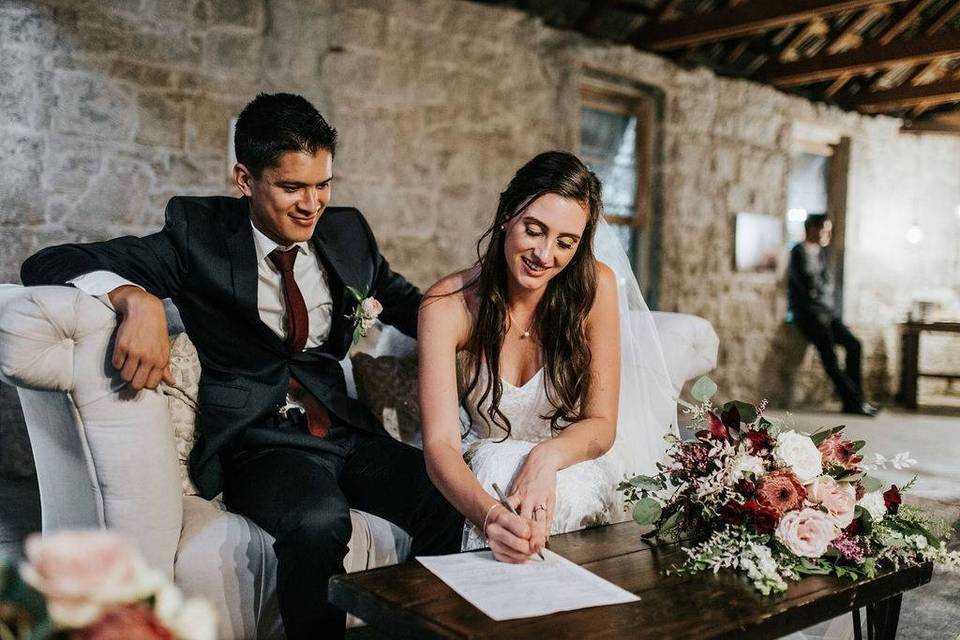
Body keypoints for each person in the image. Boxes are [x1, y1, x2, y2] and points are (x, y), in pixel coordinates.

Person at [20, 92, 464, 639]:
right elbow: (49, 261)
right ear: (244, 179)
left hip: (346, 431)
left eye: (323, 185)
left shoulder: (348, 233)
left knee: (448, 492)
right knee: (319, 521)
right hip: (261, 442)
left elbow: (407, 304)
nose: (312, 204)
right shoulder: (198, 233)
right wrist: (134, 298)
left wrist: (484, 335)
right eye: (291, 187)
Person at [417, 151, 677, 562]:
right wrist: (490, 518)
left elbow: (601, 425)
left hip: (573, 457)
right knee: (497, 470)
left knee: (565, 492)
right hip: (487, 465)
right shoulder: (447, 305)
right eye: (534, 230)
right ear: (507, 214)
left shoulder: (596, 288)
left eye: (565, 242)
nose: (544, 254)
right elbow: (440, 446)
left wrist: (545, 458)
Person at [787, 213, 877, 417]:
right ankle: (853, 401)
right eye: (823, 229)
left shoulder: (822, 253)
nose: (826, 234)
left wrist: (833, 314)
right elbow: (802, 289)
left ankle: (857, 399)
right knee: (830, 357)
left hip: (827, 312)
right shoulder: (798, 252)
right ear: (812, 229)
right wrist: (816, 304)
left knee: (854, 345)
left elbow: (826, 287)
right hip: (809, 314)